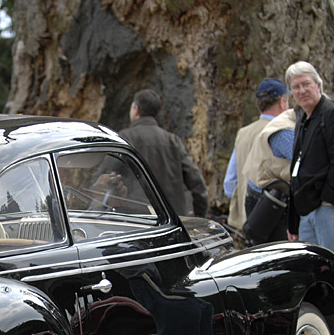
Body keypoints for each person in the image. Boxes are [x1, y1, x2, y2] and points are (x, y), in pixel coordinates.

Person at [285, 61, 334, 265]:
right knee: (313, 272)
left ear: (318, 85)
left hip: (327, 208)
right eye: (296, 87)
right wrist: (294, 221)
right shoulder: (302, 121)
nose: (302, 90)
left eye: (306, 84)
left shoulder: (332, 113)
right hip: (307, 210)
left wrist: (328, 198)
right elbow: (296, 170)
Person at [117, 89, 208, 217]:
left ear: (136, 109)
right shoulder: (173, 140)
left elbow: (104, 178)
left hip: (136, 220)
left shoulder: (125, 138)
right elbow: (197, 183)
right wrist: (199, 216)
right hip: (172, 221)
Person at [224, 78, 291, 235]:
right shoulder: (281, 132)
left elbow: (229, 181)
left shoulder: (243, 132)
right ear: (282, 102)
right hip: (274, 218)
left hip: (246, 220)